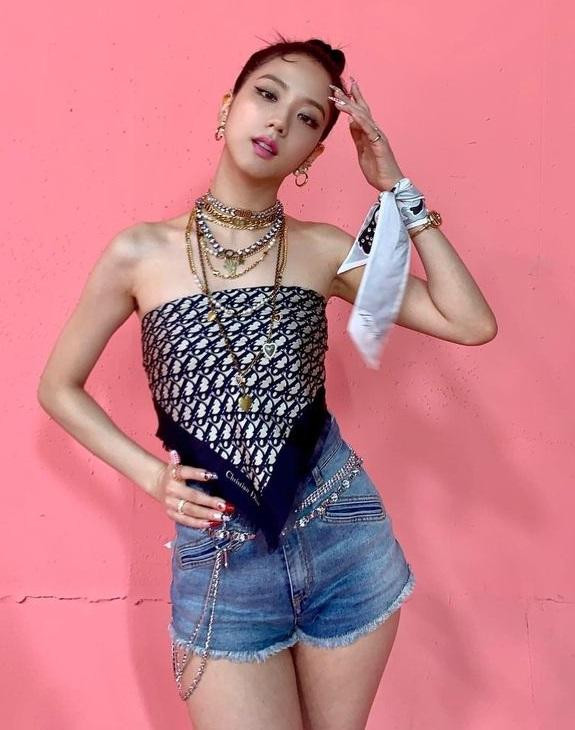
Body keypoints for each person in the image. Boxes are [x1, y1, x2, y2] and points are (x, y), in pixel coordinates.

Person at [37, 33, 497, 730]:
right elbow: (58, 386)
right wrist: (151, 476)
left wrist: (395, 188)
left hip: (343, 537)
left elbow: (468, 321)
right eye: (267, 94)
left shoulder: (323, 250)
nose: (280, 121)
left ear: (312, 155)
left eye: (307, 118)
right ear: (228, 107)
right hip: (222, 557)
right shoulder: (139, 253)